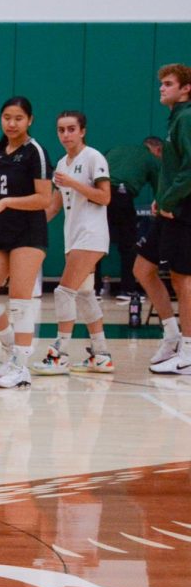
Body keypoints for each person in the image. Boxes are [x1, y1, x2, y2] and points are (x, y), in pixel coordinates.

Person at [0, 96, 52, 389]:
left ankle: (21, 366)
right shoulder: (0, 149)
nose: (12, 123)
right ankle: (9, 345)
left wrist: (7, 204)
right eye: (7, 117)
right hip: (4, 230)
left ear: (30, 120)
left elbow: (44, 198)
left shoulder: (36, 153)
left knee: (19, 301)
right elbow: (0, 189)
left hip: (29, 232)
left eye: (18, 118)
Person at [34, 111, 113, 375]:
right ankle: (101, 355)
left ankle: (60, 353)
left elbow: (104, 197)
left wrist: (74, 184)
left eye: (71, 129)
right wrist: (29, 227)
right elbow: (55, 205)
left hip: (92, 234)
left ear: (82, 131)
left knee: (63, 291)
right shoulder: (61, 164)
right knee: (85, 294)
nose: (66, 135)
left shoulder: (93, 157)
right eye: (61, 130)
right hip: (73, 235)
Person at [146, 63, 191, 375]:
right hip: (167, 206)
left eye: (168, 83)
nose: (162, 88)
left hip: (182, 209)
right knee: (142, 268)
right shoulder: (175, 118)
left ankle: (188, 350)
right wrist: (160, 196)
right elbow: (173, 168)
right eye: (161, 83)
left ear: (186, 88)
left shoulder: (187, 118)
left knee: (183, 279)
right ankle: (172, 334)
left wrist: (170, 199)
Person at [102, 137, 162, 299]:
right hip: (121, 195)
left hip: (99, 194)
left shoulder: (118, 148)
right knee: (128, 243)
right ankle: (127, 289)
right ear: (157, 150)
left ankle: (94, 289)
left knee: (97, 242)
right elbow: (160, 191)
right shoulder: (151, 159)